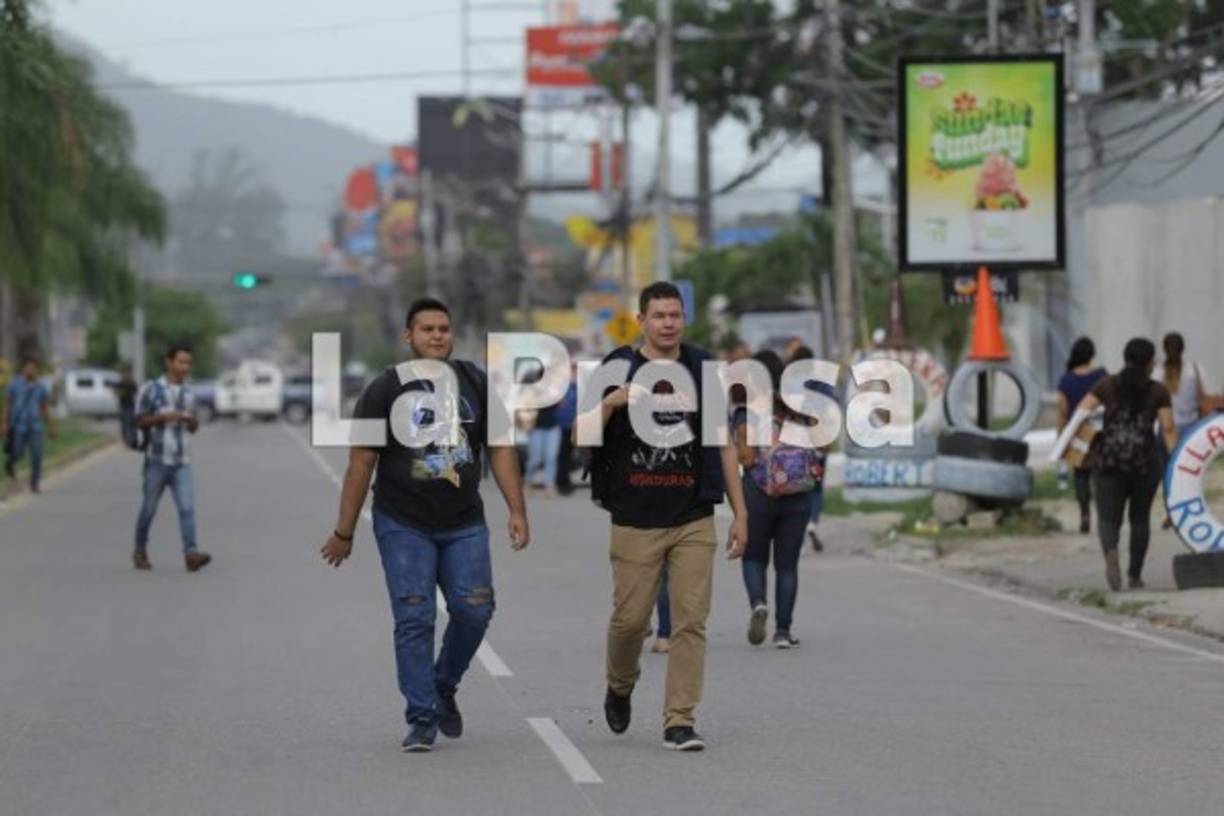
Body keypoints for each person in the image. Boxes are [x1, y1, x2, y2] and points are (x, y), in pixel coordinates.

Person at [320, 297, 529, 753]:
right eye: (427, 329)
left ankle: (444, 682)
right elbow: (360, 462)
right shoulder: (384, 389)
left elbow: (499, 448)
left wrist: (517, 509)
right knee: (414, 616)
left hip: (464, 521)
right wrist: (344, 531)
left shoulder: (474, 382)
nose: (437, 336)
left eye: (444, 329)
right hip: (402, 522)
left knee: (475, 609)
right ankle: (421, 717)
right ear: (408, 337)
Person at [582, 281, 748, 752]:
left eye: (675, 315)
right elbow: (580, 433)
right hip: (634, 518)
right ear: (642, 321)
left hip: (693, 515)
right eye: (659, 316)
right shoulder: (617, 367)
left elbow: (722, 442)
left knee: (690, 621)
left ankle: (680, 719)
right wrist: (613, 401)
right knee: (630, 622)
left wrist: (740, 514)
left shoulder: (701, 370)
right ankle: (620, 682)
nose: (668, 323)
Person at [734, 350, 823, 649]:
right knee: (787, 566)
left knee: (754, 557)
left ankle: (759, 602)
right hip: (797, 496)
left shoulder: (747, 410)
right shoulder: (797, 407)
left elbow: (745, 457)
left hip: (758, 495)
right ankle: (783, 631)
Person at [1078, 338, 1177, 591]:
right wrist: (1175, 461)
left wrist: (1084, 442)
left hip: (1109, 463)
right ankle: (1134, 575)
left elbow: (1082, 411)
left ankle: (1111, 552)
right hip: (1145, 464)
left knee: (1109, 519)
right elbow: (1167, 428)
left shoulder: (1106, 385)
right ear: (1151, 362)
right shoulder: (1158, 390)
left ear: (1125, 358)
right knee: (1140, 520)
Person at [132, 346, 211, 572]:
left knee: (187, 508)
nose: (185, 367)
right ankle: (140, 549)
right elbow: (139, 420)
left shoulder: (188, 393)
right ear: (169, 362)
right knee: (149, 508)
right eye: (181, 362)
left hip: (181, 461)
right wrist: (164, 417)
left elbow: (194, 426)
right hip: (157, 459)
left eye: (188, 363)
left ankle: (191, 553)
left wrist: (190, 422)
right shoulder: (152, 389)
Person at [1056, 337, 1108, 534]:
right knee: (1102, 475)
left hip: (1078, 432)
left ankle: (1085, 514)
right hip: (1100, 431)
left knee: (1081, 475)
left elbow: (1062, 411)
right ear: (1092, 354)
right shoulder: (1101, 375)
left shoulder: (1066, 379)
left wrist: (1061, 436)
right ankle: (1105, 516)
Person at [787, 344, 832, 552]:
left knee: (798, 484)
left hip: (796, 439)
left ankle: (799, 530)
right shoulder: (822, 384)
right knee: (816, 485)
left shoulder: (790, 382)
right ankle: (812, 523)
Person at [2, 357, 55, 494]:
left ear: (37, 370)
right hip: (19, 425)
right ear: (23, 369)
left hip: (36, 426)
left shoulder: (41, 387)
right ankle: (10, 463)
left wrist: (51, 426)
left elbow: (44, 408)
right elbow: (8, 405)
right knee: (17, 452)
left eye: (33, 367)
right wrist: (4, 423)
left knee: (37, 455)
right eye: (28, 367)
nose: (30, 370)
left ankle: (34, 483)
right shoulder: (15, 384)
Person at [524, 402, 562, 496]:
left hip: (553, 427)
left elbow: (561, 404)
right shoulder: (535, 390)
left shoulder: (555, 391)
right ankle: (528, 483)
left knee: (551, 457)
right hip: (536, 428)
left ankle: (549, 486)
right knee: (534, 459)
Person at [112, 363, 139, 448]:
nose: (126, 375)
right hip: (123, 405)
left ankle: (133, 440)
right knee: (124, 424)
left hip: (131, 405)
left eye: (128, 373)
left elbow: (136, 392)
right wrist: (119, 392)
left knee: (132, 423)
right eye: (125, 373)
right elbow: (115, 392)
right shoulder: (120, 383)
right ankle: (126, 440)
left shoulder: (132, 383)